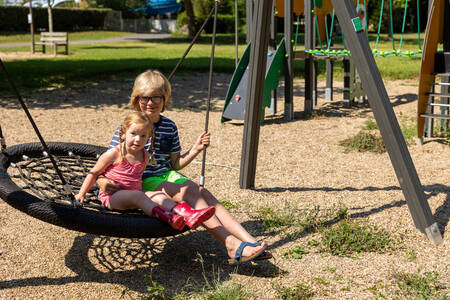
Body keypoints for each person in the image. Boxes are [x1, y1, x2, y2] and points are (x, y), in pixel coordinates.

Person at [98, 70, 271, 264]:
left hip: (166, 174)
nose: (150, 102)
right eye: (144, 97)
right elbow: (109, 161)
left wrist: (195, 150)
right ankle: (231, 244)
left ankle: (250, 242)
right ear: (136, 99)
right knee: (189, 192)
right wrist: (103, 181)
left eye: (156, 97)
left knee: (202, 192)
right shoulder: (130, 127)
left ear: (164, 100)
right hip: (143, 179)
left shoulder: (169, 127)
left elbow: (175, 164)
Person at [75, 111, 215, 231]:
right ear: (123, 133)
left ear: (149, 138)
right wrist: (81, 194)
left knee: (159, 195)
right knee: (138, 195)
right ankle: (169, 217)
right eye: (133, 134)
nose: (138, 139)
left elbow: (169, 166)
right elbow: (94, 173)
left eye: (143, 136)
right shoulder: (114, 154)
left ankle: (187, 214)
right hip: (113, 197)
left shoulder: (146, 155)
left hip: (137, 194)